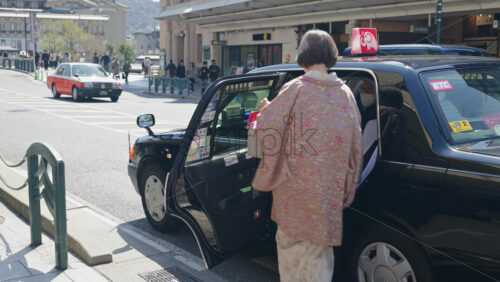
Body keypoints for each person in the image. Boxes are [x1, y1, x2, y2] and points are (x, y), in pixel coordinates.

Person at [251, 30, 362, 281]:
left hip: (295, 195)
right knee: (320, 256)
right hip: (327, 195)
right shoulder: (345, 94)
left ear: (303, 56)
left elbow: (267, 131)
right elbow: (356, 145)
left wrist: (263, 112)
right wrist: (348, 184)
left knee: (292, 256)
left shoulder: (296, 89)